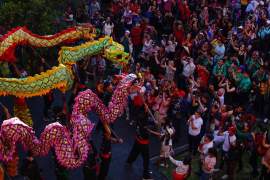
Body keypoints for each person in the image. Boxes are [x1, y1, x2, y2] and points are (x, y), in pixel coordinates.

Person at [126, 105, 158, 180]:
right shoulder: (144, 128)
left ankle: (128, 161)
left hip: (137, 141)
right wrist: (146, 110)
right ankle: (145, 176)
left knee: (134, 152)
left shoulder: (137, 123)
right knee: (146, 160)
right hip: (143, 144)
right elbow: (146, 121)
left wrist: (146, 111)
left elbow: (146, 122)